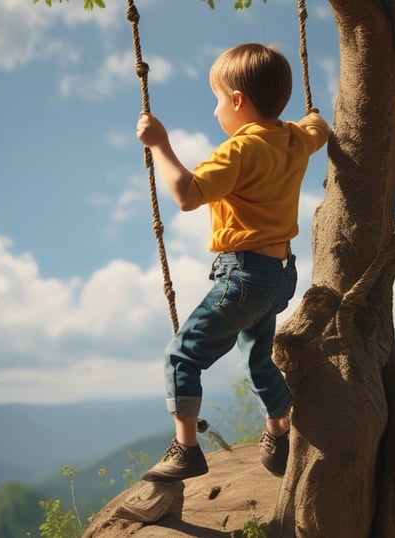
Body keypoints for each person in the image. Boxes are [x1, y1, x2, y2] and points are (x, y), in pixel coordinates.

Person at [135, 43, 329, 482]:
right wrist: (314, 117)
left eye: (218, 99)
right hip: (281, 279)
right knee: (258, 357)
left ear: (238, 100)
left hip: (242, 276)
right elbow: (318, 128)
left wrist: (160, 144)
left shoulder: (237, 151)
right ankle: (279, 434)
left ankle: (186, 450)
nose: (216, 110)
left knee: (181, 357)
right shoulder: (295, 139)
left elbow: (187, 194)